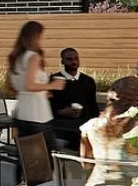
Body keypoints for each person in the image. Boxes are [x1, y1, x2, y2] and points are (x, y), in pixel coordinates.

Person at [6, 21, 64, 153]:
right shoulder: (34, 57)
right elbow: (30, 85)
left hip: (21, 113)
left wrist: (43, 91)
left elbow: (14, 86)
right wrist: (52, 85)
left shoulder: (17, 58)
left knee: (27, 157)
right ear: (36, 37)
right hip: (38, 114)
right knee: (48, 156)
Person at [51, 48, 98, 149]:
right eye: (69, 59)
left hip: (82, 128)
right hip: (60, 128)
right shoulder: (54, 80)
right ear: (62, 61)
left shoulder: (88, 81)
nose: (74, 62)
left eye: (76, 58)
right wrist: (61, 112)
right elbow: (48, 105)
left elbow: (93, 106)